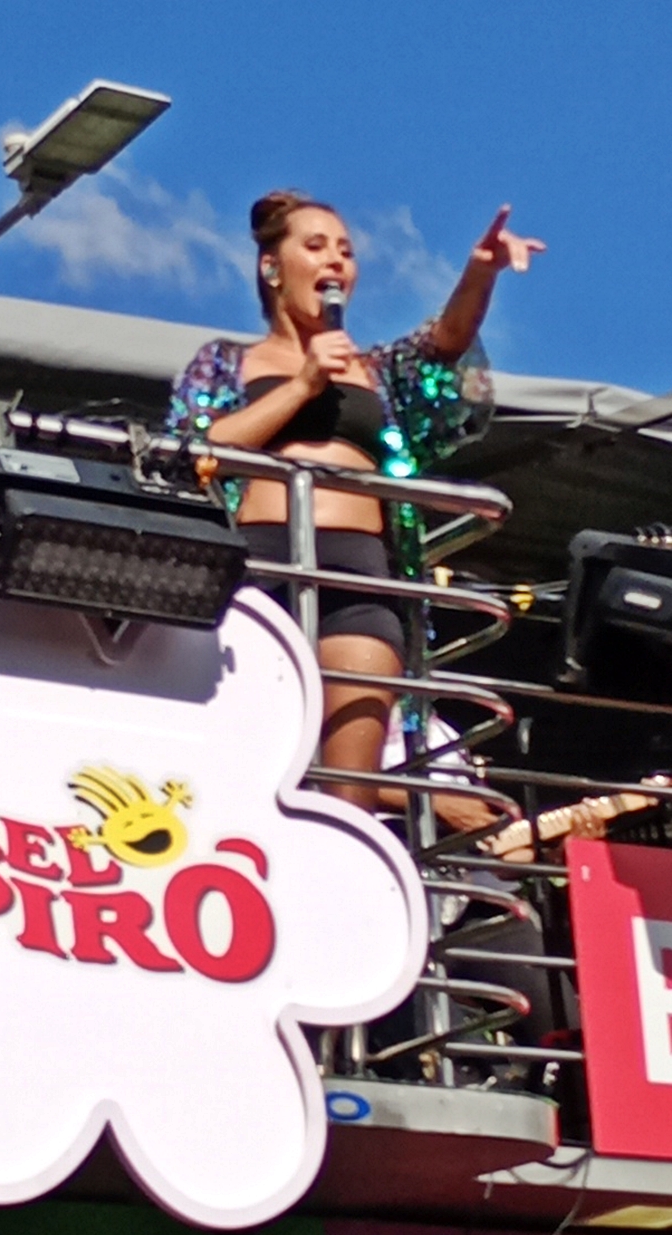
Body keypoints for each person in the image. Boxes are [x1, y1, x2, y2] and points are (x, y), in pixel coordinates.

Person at [171, 190, 545, 811]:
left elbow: (445, 342)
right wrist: (302, 383)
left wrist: (480, 273)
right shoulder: (226, 362)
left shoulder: (377, 370)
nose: (335, 261)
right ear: (271, 267)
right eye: (316, 246)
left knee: (351, 788)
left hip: (359, 571)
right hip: (256, 564)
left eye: (345, 251)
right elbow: (196, 452)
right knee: (248, 766)